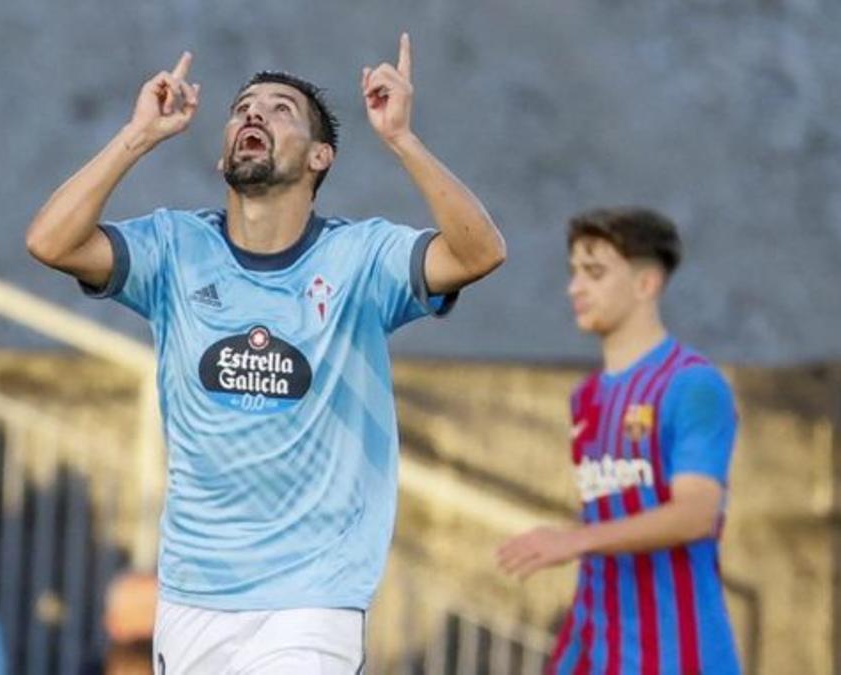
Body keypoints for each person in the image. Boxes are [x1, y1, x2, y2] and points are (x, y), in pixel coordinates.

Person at [26, 34, 506, 673]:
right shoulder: (174, 246)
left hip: (314, 593)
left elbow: (480, 253)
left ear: (319, 156)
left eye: (280, 109)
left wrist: (402, 140)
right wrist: (137, 137)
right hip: (194, 592)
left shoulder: (361, 258)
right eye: (242, 107)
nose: (252, 114)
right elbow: (50, 242)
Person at [497, 208, 740, 673]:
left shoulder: (694, 386)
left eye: (594, 273)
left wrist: (573, 541)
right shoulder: (585, 398)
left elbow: (696, 514)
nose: (575, 288)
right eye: (573, 273)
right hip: (596, 647)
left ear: (646, 283)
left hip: (679, 655)